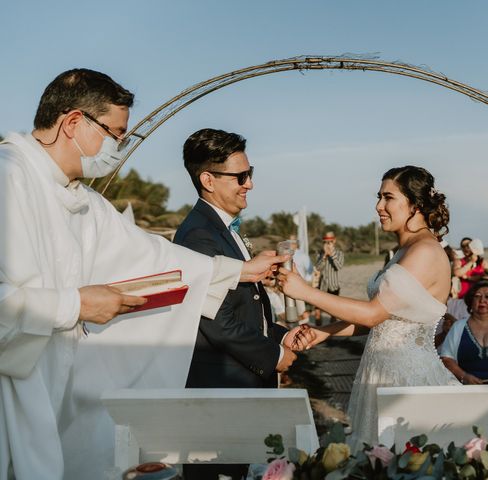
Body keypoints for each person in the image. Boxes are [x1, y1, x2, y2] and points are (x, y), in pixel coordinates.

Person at [0, 70, 287, 480]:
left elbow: (152, 255)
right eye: (116, 134)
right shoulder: (8, 177)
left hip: (55, 384)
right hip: (11, 387)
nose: (117, 148)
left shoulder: (82, 199)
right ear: (73, 123)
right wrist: (75, 304)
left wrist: (239, 270)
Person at [277, 165, 460, 448]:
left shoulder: (424, 251)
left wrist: (305, 291)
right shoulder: (404, 251)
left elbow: (373, 314)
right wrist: (325, 331)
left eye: (388, 198)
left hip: (405, 377)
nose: (378, 206)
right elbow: (382, 317)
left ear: (415, 204)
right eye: (379, 197)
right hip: (379, 370)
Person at [174, 129, 313, 480]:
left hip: (238, 383)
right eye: (241, 176)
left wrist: (281, 335)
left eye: (250, 174)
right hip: (220, 385)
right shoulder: (198, 235)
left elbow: (242, 305)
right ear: (207, 179)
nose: (249, 184)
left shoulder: (224, 229)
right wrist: (273, 356)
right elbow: (215, 319)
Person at [313, 231, 344, 324]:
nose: (327, 244)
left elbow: (339, 267)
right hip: (321, 286)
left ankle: (332, 335)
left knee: (333, 314)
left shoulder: (339, 253)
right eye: (325, 242)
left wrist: (332, 255)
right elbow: (318, 268)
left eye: (330, 241)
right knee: (317, 313)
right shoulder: (320, 253)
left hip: (333, 286)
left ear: (334, 241)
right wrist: (324, 256)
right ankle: (318, 334)